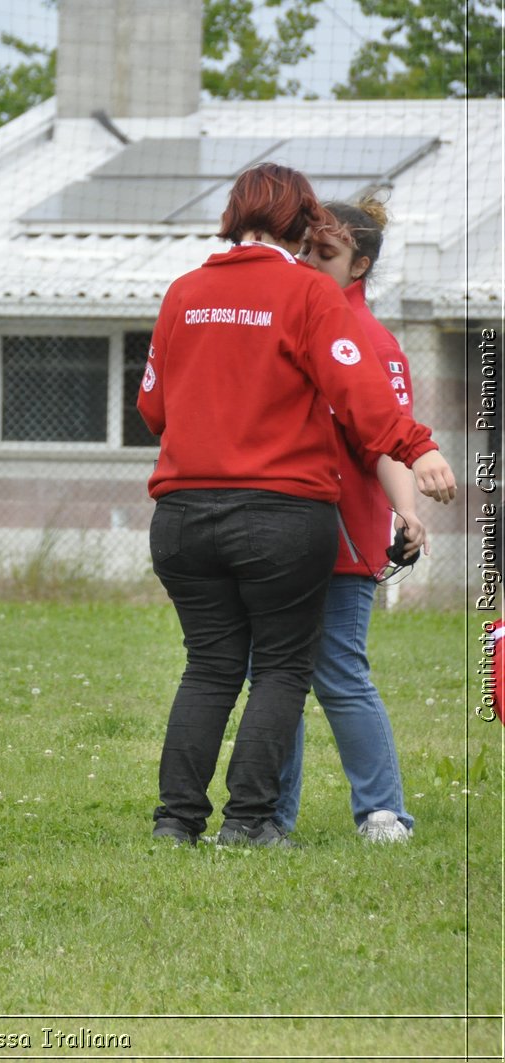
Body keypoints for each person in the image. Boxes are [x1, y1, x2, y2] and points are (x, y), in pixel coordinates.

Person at [137, 163, 456, 848]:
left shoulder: (183, 292)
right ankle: (251, 822)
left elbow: (152, 406)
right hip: (280, 517)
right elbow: (362, 397)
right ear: (298, 220)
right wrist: (418, 445)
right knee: (283, 666)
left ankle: (175, 822)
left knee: (209, 665)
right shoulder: (307, 294)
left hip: (183, 517)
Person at [272, 198, 422, 843]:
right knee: (273, 677)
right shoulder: (293, 322)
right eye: (302, 248)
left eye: (324, 254)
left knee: (336, 670)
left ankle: (382, 812)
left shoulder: (371, 341)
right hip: (279, 530)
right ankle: (268, 815)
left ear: (359, 265)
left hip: (343, 533)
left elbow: (390, 438)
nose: (306, 262)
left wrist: (409, 512)